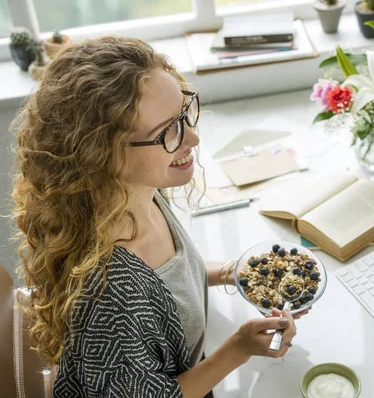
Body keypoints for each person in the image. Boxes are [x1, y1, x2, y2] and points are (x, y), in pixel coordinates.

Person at [11, 36, 307, 398]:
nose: (193, 138)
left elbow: (169, 274)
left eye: (185, 114)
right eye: (168, 131)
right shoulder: (111, 297)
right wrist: (239, 349)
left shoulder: (139, 191)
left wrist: (233, 272)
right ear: (102, 154)